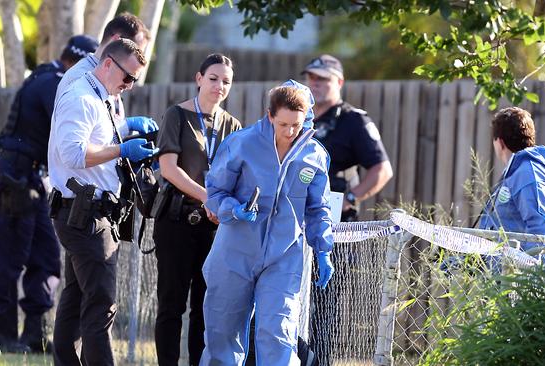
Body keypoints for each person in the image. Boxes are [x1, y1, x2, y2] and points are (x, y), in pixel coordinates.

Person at [0, 35, 99, 353]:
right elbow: (72, 132)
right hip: (15, 177)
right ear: (76, 61)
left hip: (22, 176)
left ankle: (19, 330)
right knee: (7, 256)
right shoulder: (55, 83)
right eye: (91, 64)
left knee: (43, 256)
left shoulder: (47, 76)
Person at [200, 80, 335, 365]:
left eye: (297, 125)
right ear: (270, 115)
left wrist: (323, 249)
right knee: (223, 334)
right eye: (283, 123)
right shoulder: (242, 144)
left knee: (279, 335)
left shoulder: (315, 155)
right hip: (234, 253)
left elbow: (318, 207)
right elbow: (214, 193)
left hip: (284, 257)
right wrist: (234, 209)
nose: (289, 132)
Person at [48, 38, 156, 365]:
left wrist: (124, 128)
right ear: (108, 63)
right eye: (128, 77)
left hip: (89, 212)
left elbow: (95, 133)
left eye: (135, 80)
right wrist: (122, 150)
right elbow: (73, 154)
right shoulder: (81, 97)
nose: (129, 86)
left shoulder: (99, 95)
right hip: (85, 214)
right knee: (101, 303)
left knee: (77, 295)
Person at [303, 54, 393, 364]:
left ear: (339, 83)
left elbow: (381, 169)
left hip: (334, 227)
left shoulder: (353, 120)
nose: (315, 84)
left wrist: (351, 197)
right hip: (295, 223)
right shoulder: (300, 117)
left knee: (326, 304)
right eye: (312, 78)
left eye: (323, 79)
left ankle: (322, 361)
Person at [153, 53, 242, 366]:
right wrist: (208, 197)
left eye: (226, 81)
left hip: (214, 228)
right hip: (176, 221)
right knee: (171, 304)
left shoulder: (232, 125)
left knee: (205, 306)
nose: (219, 86)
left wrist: (225, 205)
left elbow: (237, 175)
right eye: (214, 78)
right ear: (199, 78)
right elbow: (168, 169)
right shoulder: (177, 115)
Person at [478, 107, 545, 263]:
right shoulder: (517, 171)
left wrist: (530, 280)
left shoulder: (528, 173)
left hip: (518, 282)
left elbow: (542, 231)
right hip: (503, 279)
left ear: (500, 142)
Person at [55, 12, 151, 125]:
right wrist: (125, 129)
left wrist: (124, 127)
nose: (137, 56)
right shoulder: (78, 78)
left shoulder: (111, 77)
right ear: (116, 41)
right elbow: (73, 138)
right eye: (134, 49)